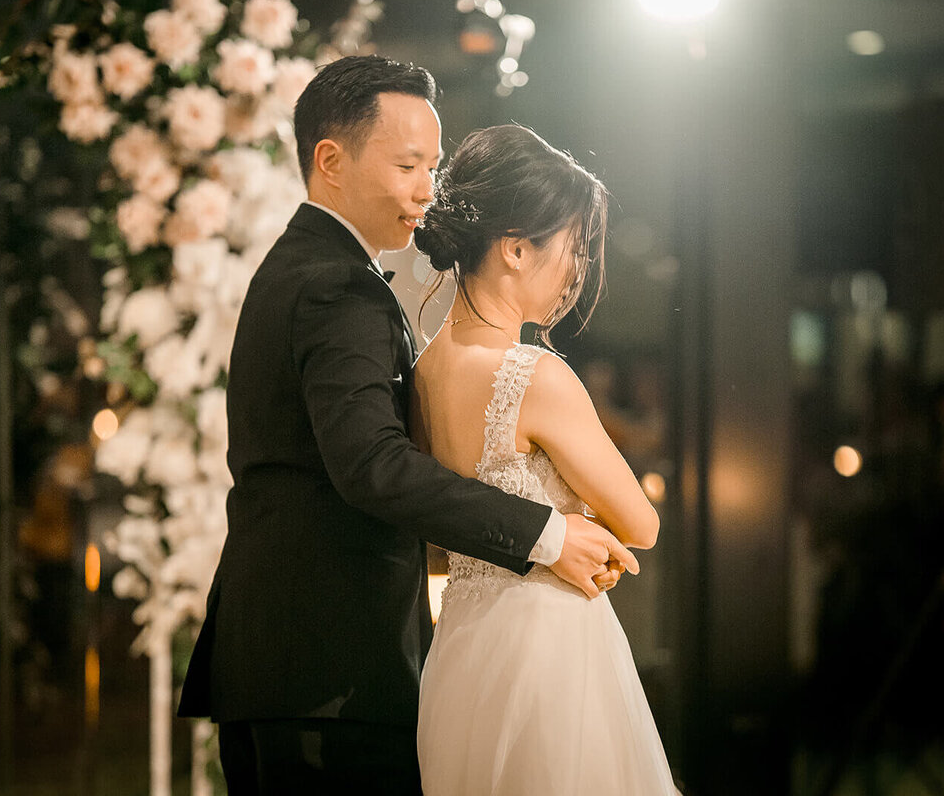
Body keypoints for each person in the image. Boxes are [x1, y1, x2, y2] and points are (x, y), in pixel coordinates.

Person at [178, 56, 638, 795]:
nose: (428, 190)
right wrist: (546, 534)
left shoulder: (301, 268)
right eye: (408, 165)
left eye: (434, 165)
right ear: (331, 160)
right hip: (329, 669)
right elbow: (372, 466)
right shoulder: (336, 286)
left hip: (290, 664)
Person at [411, 124, 679, 794]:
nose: (577, 270)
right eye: (572, 247)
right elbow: (640, 524)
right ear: (515, 248)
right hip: (549, 646)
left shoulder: (422, 372)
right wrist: (585, 530)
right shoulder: (535, 375)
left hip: (461, 647)